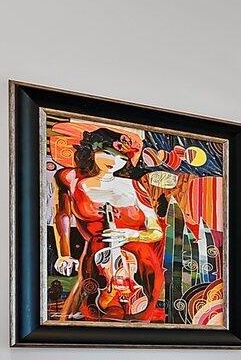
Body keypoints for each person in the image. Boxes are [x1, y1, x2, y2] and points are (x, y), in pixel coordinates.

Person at [50, 127, 168, 322]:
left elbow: (156, 232)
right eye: (108, 153)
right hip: (97, 258)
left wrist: (129, 235)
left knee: (138, 313)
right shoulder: (70, 179)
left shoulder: (134, 186)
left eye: (121, 157)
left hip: (139, 264)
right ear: (92, 151)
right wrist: (64, 253)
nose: (114, 162)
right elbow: (62, 215)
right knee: (96, 310)